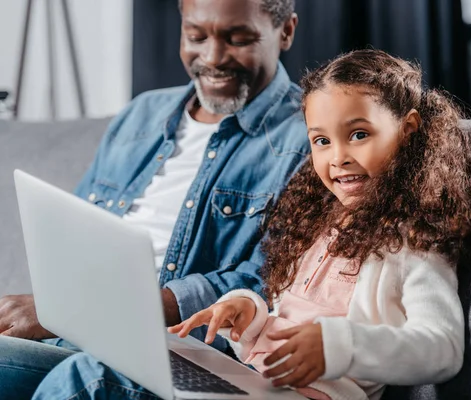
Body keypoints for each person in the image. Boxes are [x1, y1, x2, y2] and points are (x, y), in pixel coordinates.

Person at [0, 0, 307, 398]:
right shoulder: (142, 114)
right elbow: (69, 236)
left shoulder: (309, 136)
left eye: (238, 39)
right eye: (196, 36)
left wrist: (82, 310)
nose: (212, 58)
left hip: (180, 348)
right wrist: (58, 307)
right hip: (79, 330)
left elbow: (271, 281)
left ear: (285, 32)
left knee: (86, 375)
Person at [164, 49, 471, 400]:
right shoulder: (318, 225)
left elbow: (442, 349)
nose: (338, 157)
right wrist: (248, 313)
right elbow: (287, 320)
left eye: (359, 134)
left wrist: (338, 346)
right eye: (321, 141)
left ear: (407, 130)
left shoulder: (413, 241)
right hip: (258, 380)